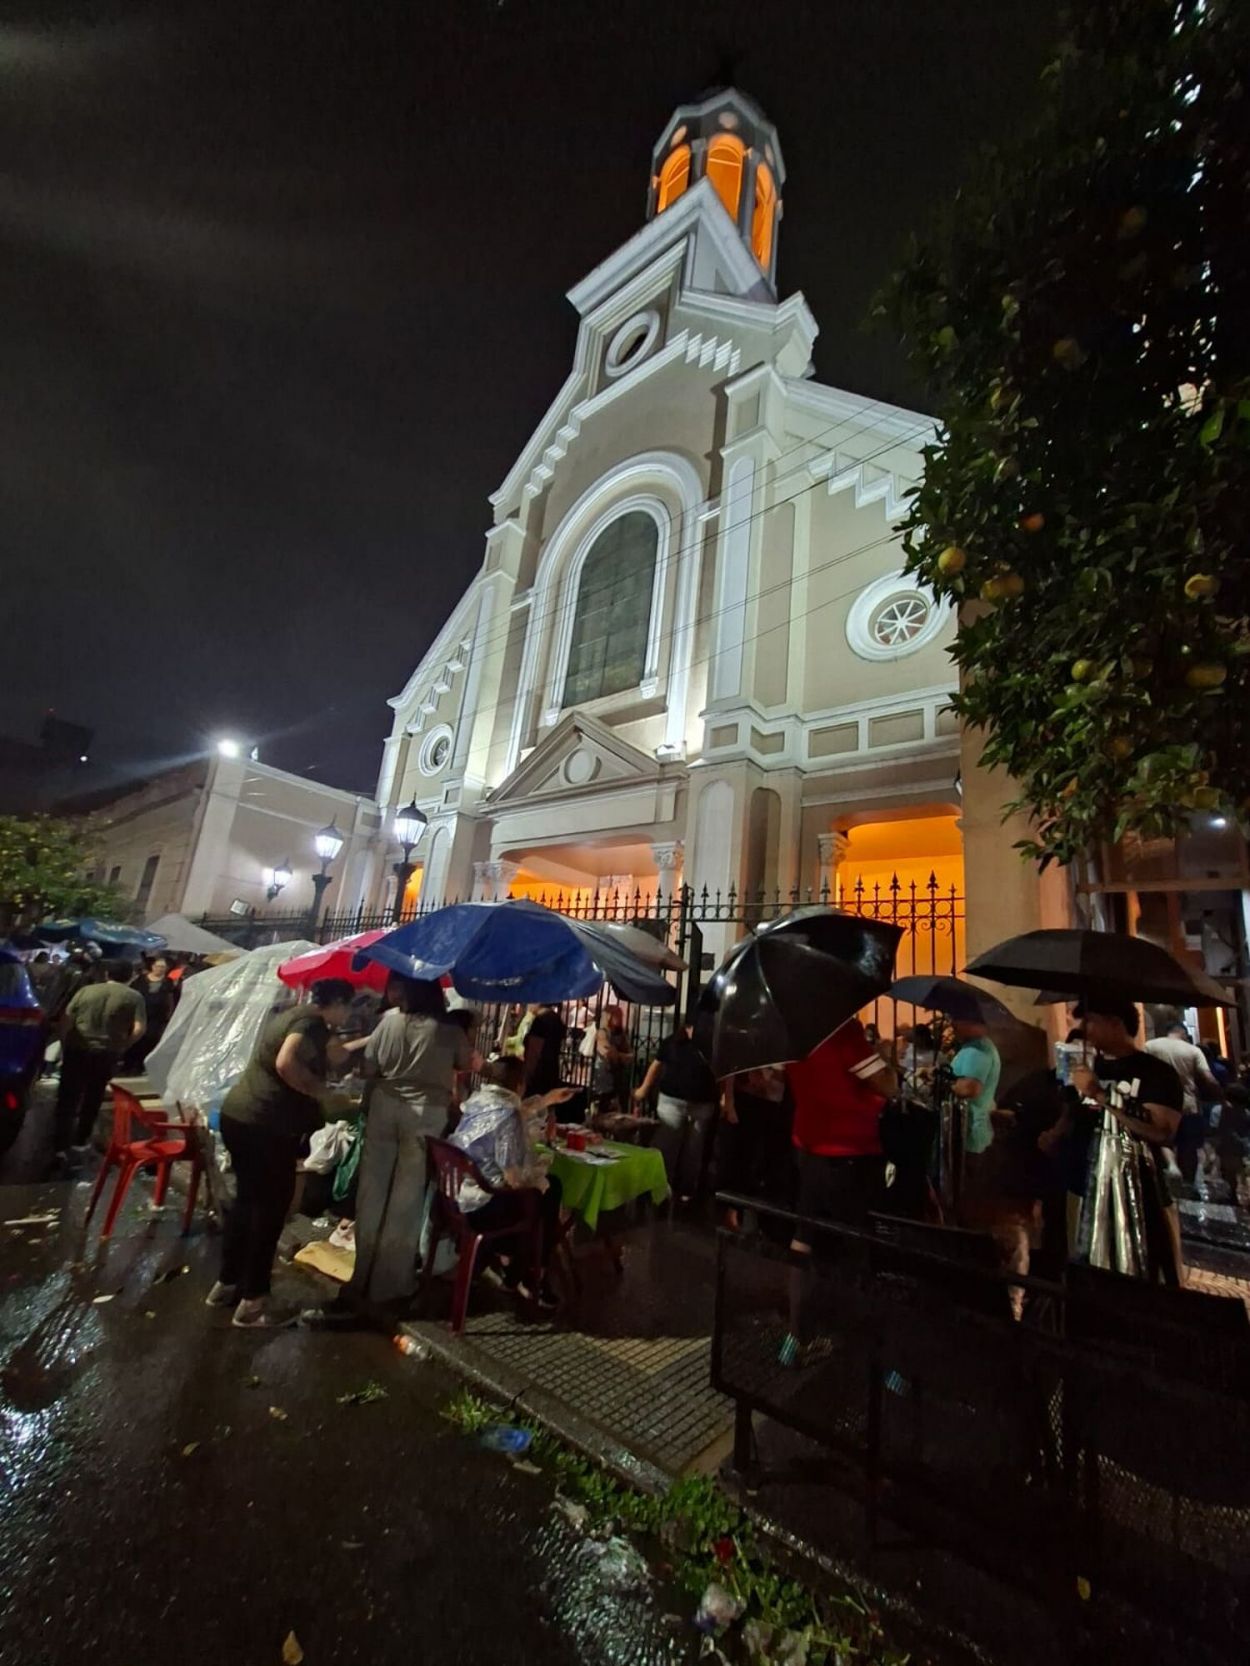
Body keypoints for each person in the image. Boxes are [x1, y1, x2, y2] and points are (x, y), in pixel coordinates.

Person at [315, 976, 473, 1322]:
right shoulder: (447, 1028)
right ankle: (390, 1285)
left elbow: (370, 1069)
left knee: (371, 1195)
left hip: (384, 1108)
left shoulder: (388, 1023)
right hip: (424, 1114)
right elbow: (466, 1063)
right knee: (406, 1200)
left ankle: (362, 1277)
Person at [208, 977, 355, 1328]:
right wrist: (319, 1092)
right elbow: (287, 1063)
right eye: (350, 1005)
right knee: (270, 1209)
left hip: (240, 1116)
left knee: (247, 1202)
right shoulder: (311, 1022)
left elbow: (332, 1055)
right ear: (335, 1002)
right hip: (266, 1124)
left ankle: (226, 1285)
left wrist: (364, 1043)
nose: (350, 1012)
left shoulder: (295, 1015)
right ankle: (254, 1303)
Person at [780, 1018, 898, 1365]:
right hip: (851, 1152)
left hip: (809, 1145)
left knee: (803, 1239)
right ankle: (876, 1352)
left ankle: (795, 1338)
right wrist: (885, 1056)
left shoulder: (796, 1031)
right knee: (863, 1247)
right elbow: (887, 1085)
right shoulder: (844, 1031)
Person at [1069, 996, 1185, 1284]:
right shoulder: (1090, 1067)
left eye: (1091, 1021)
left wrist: (1099, 1094)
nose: (1086, 1029)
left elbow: (1160, 1130)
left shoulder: (1157, 1074)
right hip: (1085, 1189)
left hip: (1139, 1196)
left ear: (1115, 1023)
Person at [449, 1056, 575, 1308]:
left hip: (456, 1197)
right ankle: (531, 1273)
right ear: (519, 1084)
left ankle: (517, 1268)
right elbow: (513, 1178)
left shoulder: (478, 1102)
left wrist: (548, 1099)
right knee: (549, 1192)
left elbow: (518, 1110)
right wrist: (539, 1175)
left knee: (543, 1191)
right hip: (484, 1207)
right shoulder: (508, 1116)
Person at [53, 960, 147, 1167]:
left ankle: (60, 1145)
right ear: (130, 975)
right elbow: (139, 1028)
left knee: (68, 1096)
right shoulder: (134, 997)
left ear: (107, 974)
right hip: (107, 1052)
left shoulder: (87, 991)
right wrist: (123, 1045)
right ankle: (80, 1140)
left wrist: (64, 1042)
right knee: (93, 1096)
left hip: (77, 1049)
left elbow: (66, 1019)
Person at [633, 1020, 720, 1203]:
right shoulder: (673, 1042)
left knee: (693, 1150)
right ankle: (659, 1187)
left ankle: (685, 1189)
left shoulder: (711, 1044)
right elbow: (656, 1066)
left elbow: (723, 1071)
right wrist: (643, 1089)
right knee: (667, 1144)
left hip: (702, 1103)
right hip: (673, 1100)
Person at [1145, 1022, 1224, 1183]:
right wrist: (1222, 1095)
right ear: (1183, 1034)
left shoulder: (1150, 1046)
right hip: (1187, 1104)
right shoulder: (1193, 1050)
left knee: (1163, 1139)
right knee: (1188, 1146)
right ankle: (1188, 1183)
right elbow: (1208, 1079)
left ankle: (1171, 1165)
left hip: (1159, 1102)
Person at [719, 1066, 792, 1232]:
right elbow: (732, 1065)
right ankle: (734, 1211)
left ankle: (760, 1218)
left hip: (775, 1102)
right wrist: (728, 1100)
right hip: (748, 1099)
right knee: (743, 1159)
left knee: (767, 1163)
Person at [123, 955, 177, 1072]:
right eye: (158, 966)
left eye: (163, 967)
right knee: (136, 1037)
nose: (160, 969)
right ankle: (129, 1064)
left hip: (157, 1017)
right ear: (152, 967)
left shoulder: (169, 982)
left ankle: (142, 1064)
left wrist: (169, 1014)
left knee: (150, 1039)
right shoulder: (140, 980)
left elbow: (172, 998)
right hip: (140, 1013)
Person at [524, 1001, 567, 1096]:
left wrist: (527, 1075)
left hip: (538, 1072)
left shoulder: (540, 1020)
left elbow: (534, 1051)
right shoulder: (556, 1019)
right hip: (551, 1070)